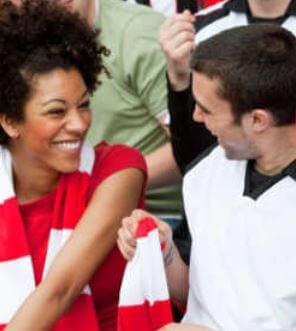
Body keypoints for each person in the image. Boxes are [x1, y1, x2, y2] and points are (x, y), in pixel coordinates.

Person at [118, 24, 296, 330]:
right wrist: (165, 252)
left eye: (206, 109)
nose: (196, 118)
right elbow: (195, 291)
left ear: (257, 120)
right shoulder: (205, 172)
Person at [0, 0, 146, 330]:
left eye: (83, 106)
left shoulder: (119, 169)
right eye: (56, 112)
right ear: (10, 121)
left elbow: (59, 290)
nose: (79, 125)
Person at [160, 0, 296, 174]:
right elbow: (191, 157)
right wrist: (179, 81)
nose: (198, 115)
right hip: (227, 182)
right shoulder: (198, 27)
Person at [82, 0, 182, 226]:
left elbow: (196, 148)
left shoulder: (136, 33)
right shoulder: (25, 36)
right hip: (74, 208)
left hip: (155, 213)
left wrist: (110, 183)